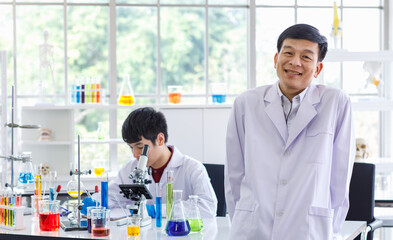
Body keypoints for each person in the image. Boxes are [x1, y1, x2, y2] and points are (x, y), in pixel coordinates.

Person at [225, 24, 355, 239]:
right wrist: (241, 218)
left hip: (309, 229)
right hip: (254, 228)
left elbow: (340, 179)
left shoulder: (336, 103)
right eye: (288, 53)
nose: (295, 62)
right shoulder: (246, 103)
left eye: (306, 57)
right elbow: (234, 174)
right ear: (276, 59)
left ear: (318, 69)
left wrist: (329, 229)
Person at [108, 107, 217, 218]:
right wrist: (95, 202)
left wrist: (157, 210)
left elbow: (207, 207)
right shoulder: (130, 168)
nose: (135, 154)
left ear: (160, 139)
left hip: (180, 234)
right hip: (142, 234)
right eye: (131, 148)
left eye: (140, 147)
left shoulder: (192, 168)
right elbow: (110, 198)